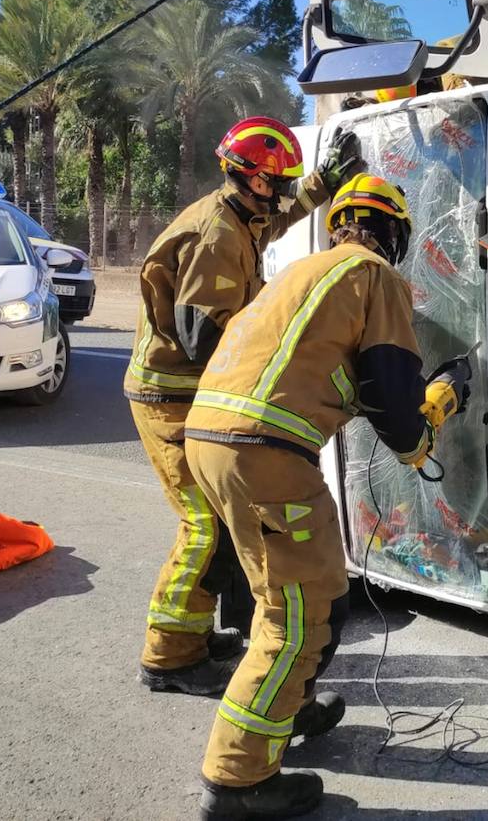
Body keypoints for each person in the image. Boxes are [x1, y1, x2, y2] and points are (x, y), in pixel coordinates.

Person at [184, 174, 467, 820]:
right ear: (394, 232)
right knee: (298, 619)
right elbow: (393, 408)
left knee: (305, 595)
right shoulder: (375, 274)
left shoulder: (303, 271)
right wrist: (441, 400)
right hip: (266, 452)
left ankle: (290, 707)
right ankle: (237, 780)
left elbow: (328, 373)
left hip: (212, 439)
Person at [125, 117, 362, 696]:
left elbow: (276, 222)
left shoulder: (240, 215)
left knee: (218, 526)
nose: (281, 193)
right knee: (204, 527)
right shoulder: (216, 236)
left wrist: (323, 183)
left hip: (187, 392)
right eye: (276, 182)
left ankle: (193, 633)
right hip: (171, 396)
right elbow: (203, 338)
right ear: (250, 178)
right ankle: (169, 656)